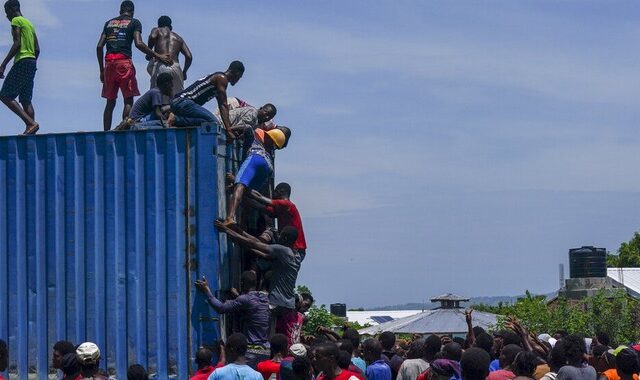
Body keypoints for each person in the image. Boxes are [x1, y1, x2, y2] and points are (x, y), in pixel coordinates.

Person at [96, 0, 171, 131]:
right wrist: (158, 56)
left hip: (108, 64)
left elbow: (99, 46)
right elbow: (139, 43)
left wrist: (101, 70)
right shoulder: (134, 22)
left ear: (120, 11)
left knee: (110, 102)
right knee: (128, 100)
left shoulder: (108, 23)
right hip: (124, 63)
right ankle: (124, 129)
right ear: (132, 12)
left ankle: (106, 132)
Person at [215, 222, 301, 321]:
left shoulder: (283, 251)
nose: (279, 237)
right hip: (288, 304)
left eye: (280, 235)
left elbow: (256, 244)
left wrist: (227, 230)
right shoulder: (296, 256)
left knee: (254, 317)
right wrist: (239, 234)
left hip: (276, 302)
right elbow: (262, 252)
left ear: (285, 238)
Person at [195, 271, 270, 367]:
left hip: (251, 351)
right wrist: (238, 297)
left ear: (242, 284)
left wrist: (206, 290)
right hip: (265, 351)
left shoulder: (244, 299)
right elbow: (251, 307)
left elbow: (221, 308)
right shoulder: (264, 299)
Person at [221, 126, 291, 229]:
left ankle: (230, 217)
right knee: (248, 194)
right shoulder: (273, 148)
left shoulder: (258, 133)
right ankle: (242, 225)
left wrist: (230, 129)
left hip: (256, 157)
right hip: (267, 166)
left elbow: (247, 127)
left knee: (240, 185)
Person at [168, 61, 244, 134]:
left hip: (181, 104)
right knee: (213, 122)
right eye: (239, 77)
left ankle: (176, 120)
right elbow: (223, 105)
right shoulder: (222, 78)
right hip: (183, 102)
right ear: (236, 73)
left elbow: (222, 107)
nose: (238, 80)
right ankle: (176, 119)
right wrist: (229, 130)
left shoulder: (219, 80)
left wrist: (229, 127)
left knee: (205, 120)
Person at [0, 0, 39, 134]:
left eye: (6, 12)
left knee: (5, 95)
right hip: (32, 62)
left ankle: (30, 123)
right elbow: (37, 49)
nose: (6, 16)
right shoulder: (29, 24)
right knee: (25, 99)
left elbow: (17, 43)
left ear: (12, 9)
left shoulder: (16, 21)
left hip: (22, 60)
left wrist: (3, 64)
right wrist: (32, 64)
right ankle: (31, 130)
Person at [248, 182, 307, 261]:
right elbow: (260, 207)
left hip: (296, 250)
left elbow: (260, 197)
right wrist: (243, 198)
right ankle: (254, 268)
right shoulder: (281, 209)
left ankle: (255, 247)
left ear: (281, 191)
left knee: (270, 232)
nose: (273, 195)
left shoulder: (287, 205)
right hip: (288, 247)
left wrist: (241, 186)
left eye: (275, 192)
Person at [146, 15, 192, 96]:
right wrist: (184, 72)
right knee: (178, 98)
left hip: (161, 65)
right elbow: (189, 56)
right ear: (170, 26)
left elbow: (152, 36)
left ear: (158, 25)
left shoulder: (157, 30)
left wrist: (149, 52)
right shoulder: (178, 38)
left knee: (156, 96)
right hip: (176, 68)